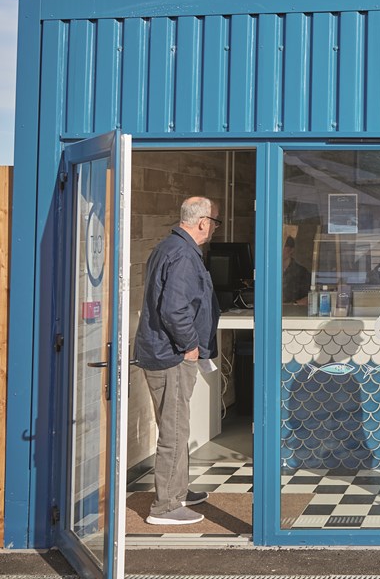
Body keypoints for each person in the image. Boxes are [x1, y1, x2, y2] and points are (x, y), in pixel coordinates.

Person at [133, 196, 222, 525]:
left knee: (177, 426)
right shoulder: (184, 254)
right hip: (170, 356)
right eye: (215, 222)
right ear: (202, 223)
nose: (213, 228)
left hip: (162, 352)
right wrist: (190, 346)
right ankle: (166, 507)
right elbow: (174, 309)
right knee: (173, 430)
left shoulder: (169, 247)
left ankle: (178, 490)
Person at [282, 235, 311, 304]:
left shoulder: (302, 273)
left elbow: (309, 297)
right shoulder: (270, 271)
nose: (279, 249)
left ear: (291, 250)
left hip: (293, 312)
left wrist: (294, 304)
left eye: (283, 246)